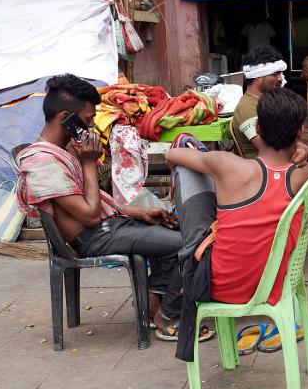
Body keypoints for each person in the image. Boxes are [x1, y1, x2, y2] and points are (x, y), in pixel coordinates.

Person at [15, 74, 211, 343]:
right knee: (189, 246)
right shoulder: (40, 161)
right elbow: (90, 215)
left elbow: (94, 205)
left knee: (174, 228)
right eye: (86, 120)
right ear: (65, 119)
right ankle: (171, 318)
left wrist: (139, 213)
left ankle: (155, 308)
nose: (92, 126)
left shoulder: (62, 150)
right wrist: (87, 162)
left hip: (108, 227)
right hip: (94, 238)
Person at [165, 88, 308, 357]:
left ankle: (188, 254)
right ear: (300, 132)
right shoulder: (305, 175)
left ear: (259, 127)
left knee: (189, 165)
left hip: (219, 284)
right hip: (273, 282)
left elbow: (172, 156)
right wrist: (306, 150)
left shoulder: (227, 164)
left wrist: (197, 150)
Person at [232, 46, 308, 252]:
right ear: (258, 77)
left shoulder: (268, 101)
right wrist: (306, 152)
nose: (280, 78)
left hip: (291, 162)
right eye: (275, 74)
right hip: (269, 172)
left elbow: (290, 145)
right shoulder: (247, 109)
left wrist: (306, 150)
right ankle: (284, 253)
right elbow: (270, 151)